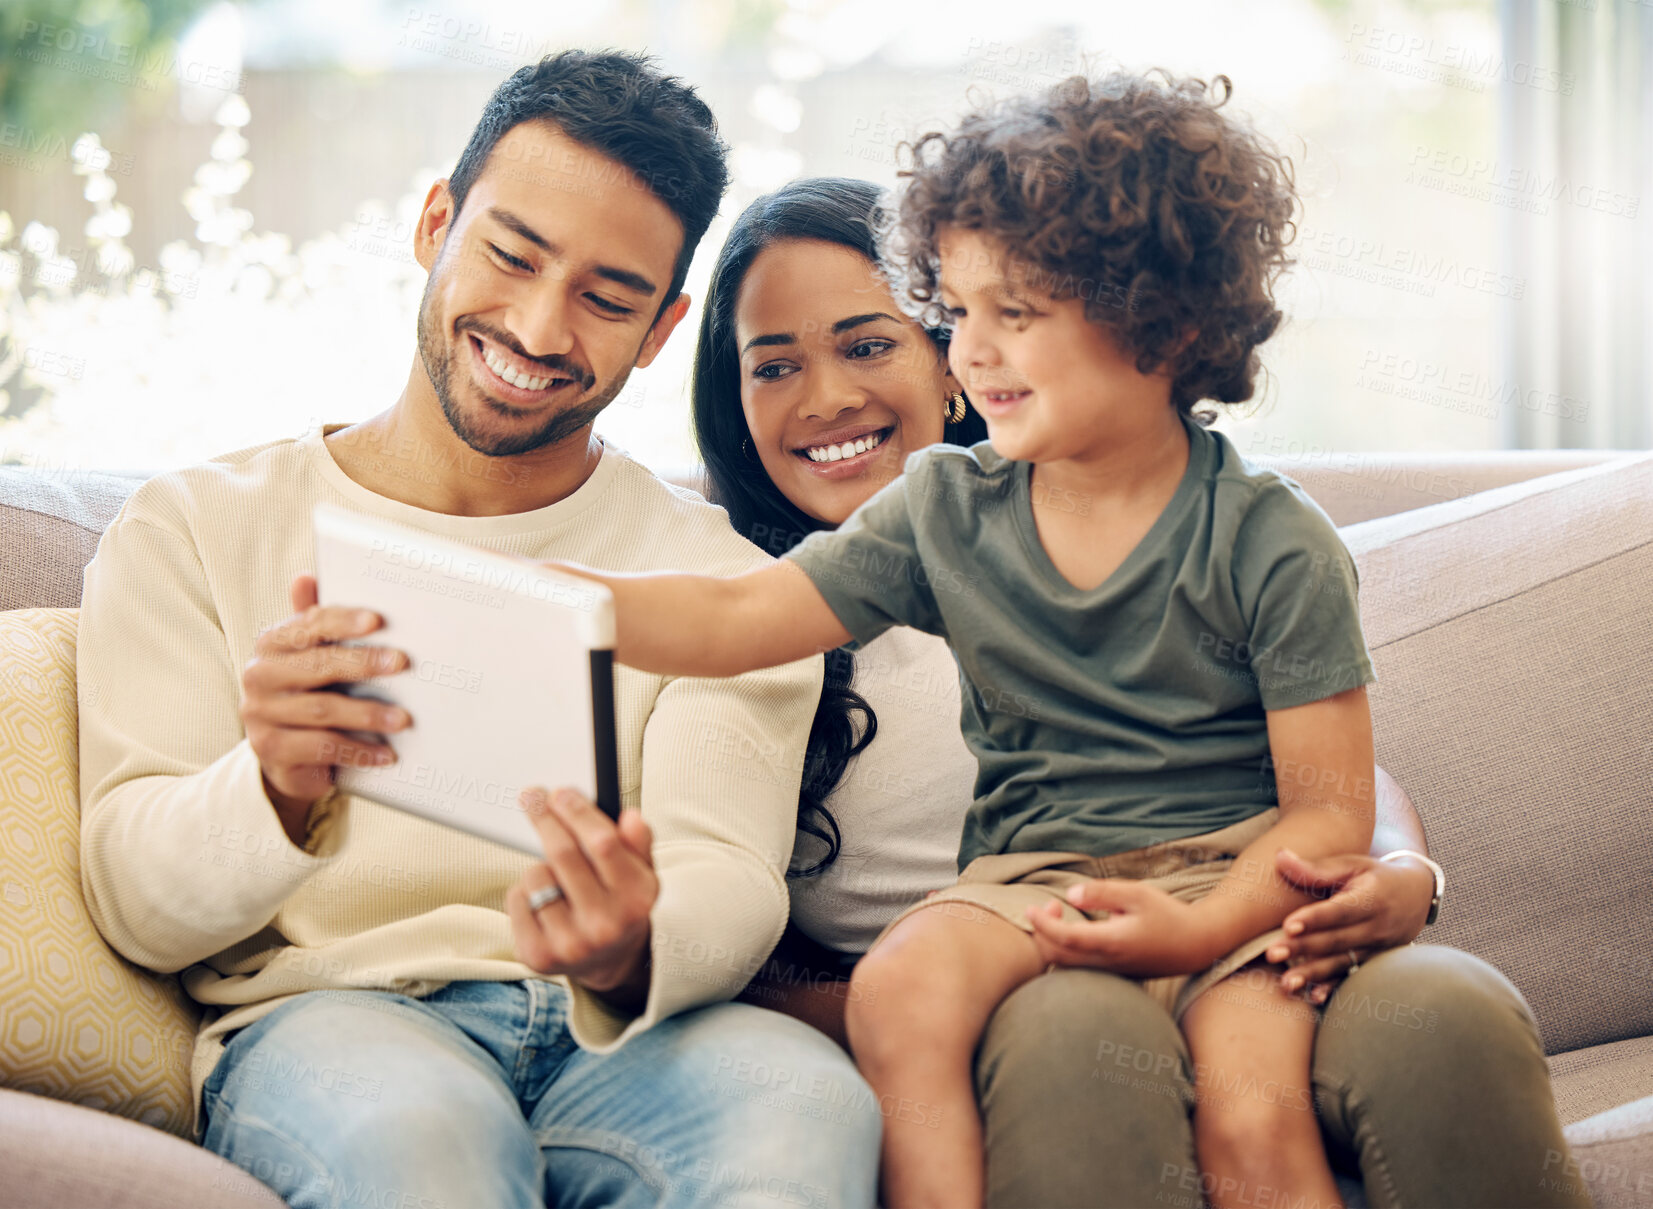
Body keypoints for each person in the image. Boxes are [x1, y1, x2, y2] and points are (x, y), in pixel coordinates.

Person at [550, 77, 1591, 1209]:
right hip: (1031, 883)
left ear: (1167, 324)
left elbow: (1331, 804)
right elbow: (738, 622)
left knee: (1259, 1135)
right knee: (905, 989)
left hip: (1234, 880)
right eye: (959, 315)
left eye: (1015, 315)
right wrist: (562, 605)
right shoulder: (942, 515)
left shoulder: (1273, 540)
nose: (972, 355)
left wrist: (1289, 898)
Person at [75, 51, 881, 1209]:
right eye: (512, 255)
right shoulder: (196, 528)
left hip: (639, 1039)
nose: (541, 327)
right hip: (337, 1020)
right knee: (424, 1154)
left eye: (609, 299)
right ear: (436, 223)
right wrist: (273, 785)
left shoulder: (721, 584)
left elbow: (730, 877)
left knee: (807, 1117)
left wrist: (633, 940)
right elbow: (135, 904)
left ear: (660, 331)